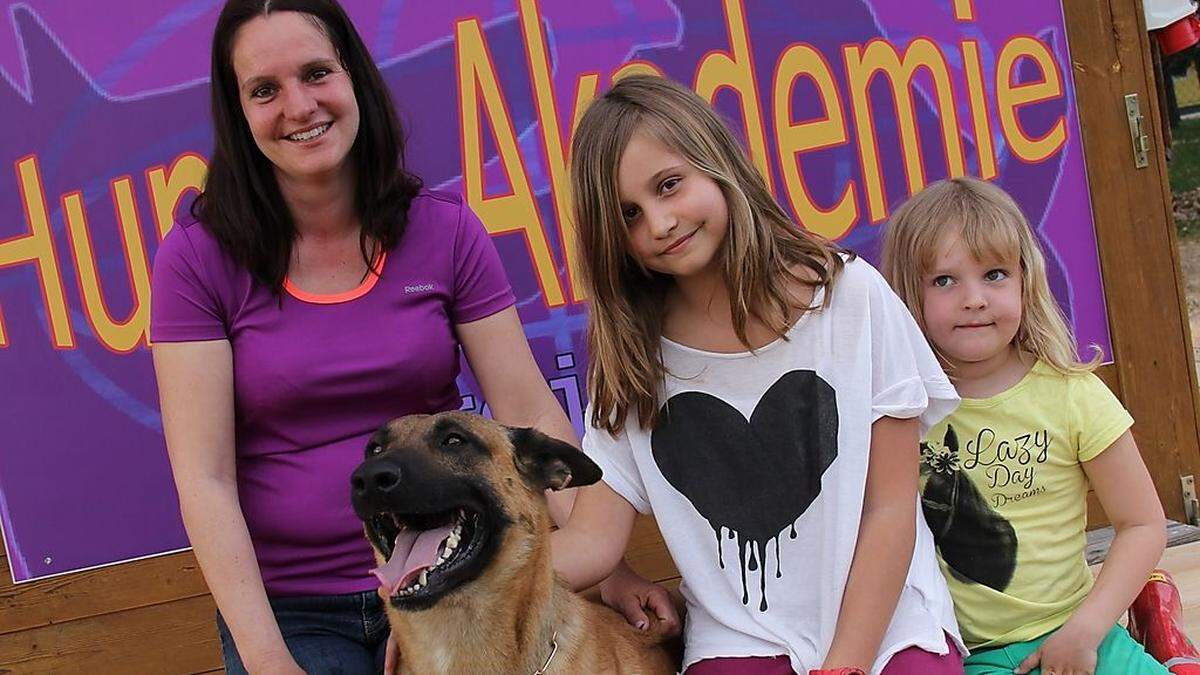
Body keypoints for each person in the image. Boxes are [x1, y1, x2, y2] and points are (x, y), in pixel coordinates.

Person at [148, 0, 631, 671]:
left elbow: (527, 411)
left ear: (354, 79)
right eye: (265, 90)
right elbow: (204, 479)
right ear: (239, 114)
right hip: (297, 610)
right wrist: (269, 658)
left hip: (458, 577)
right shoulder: (196, 259)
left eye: (316, 73)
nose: (298, 106)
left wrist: (605, 562)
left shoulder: (445, 230)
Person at [551, 74, 966, 675]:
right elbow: (592, 543)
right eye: (629, 215)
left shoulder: (847, 297)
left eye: (670, 186)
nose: (660, 223)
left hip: (888, 624)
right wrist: (454, 585)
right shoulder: (635, 359)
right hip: (740, 642)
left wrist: (845, 665)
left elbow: (890, 508)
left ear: (718, 164)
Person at [880, 176, 1168, 675]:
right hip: (973, 657)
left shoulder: (1072, 393)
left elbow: (1143, 525)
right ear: (908, 295)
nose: (974, 299)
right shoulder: (901, 411)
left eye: (994, 274)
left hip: (1083, 636)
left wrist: (1086, 630)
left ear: (1024, 281)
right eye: (944, 281)